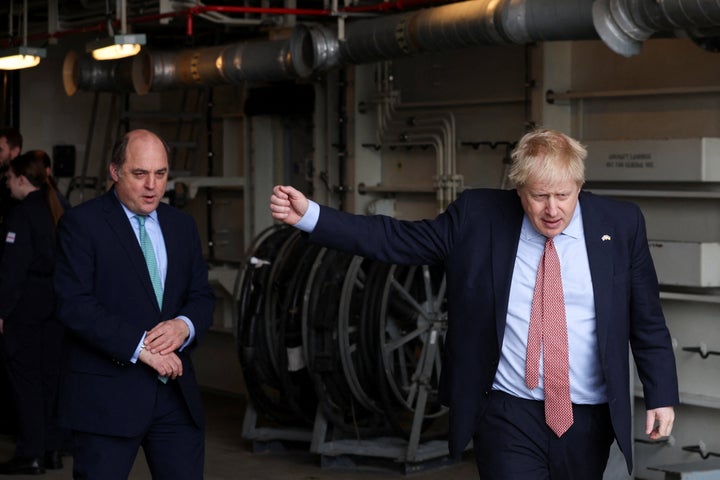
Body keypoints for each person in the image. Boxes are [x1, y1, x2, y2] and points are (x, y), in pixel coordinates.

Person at [269, 128, 679, 479]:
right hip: (507, 410)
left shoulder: (620, 225)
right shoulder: (478, 216)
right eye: (539, 196)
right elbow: (397, 240)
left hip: (587, 414)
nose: (552, 209)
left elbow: (646, 317)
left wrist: (661, 392)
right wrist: (311, 217)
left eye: (562, 195)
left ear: (579, 185)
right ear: (518, 189)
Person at [53, 129, 215, 479]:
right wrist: (141, 346)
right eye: (140, 174)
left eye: (161, 174)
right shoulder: (81, 224)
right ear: (115, 171)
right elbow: (74, 304)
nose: (152, 186)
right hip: (106, 399)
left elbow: (201, 296)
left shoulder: (182, 226)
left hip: (175, 398)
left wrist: (183, 325)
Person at [0, 151, 67, 475]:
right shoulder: (60, 207)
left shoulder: (22, 214)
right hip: (57, 308)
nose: (8, 184)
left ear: (22, 180)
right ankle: (52, 450)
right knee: (51, 382)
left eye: (10, 178)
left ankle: (31, 453)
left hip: (27, 309)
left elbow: (13, 269)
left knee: (27, 384)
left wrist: (2, 310)